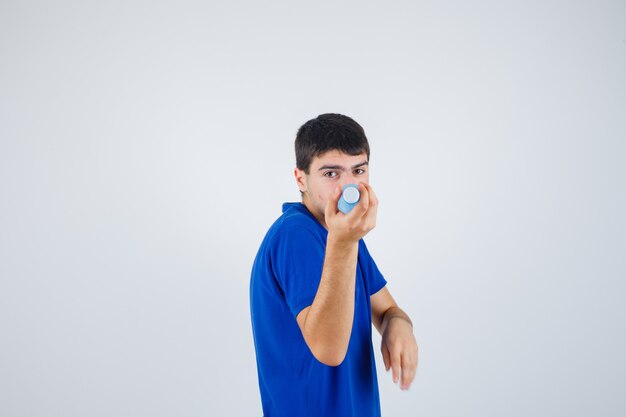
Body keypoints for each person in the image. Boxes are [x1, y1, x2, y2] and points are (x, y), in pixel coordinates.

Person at [249, 113, 418, 417]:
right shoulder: (296, 234)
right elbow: (329, 350)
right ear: (301, 178)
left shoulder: (342, 235)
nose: (348, 187)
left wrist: (398, 326)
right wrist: (343, 242)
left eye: (358, 170)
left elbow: (388, 310)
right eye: (331, 174)